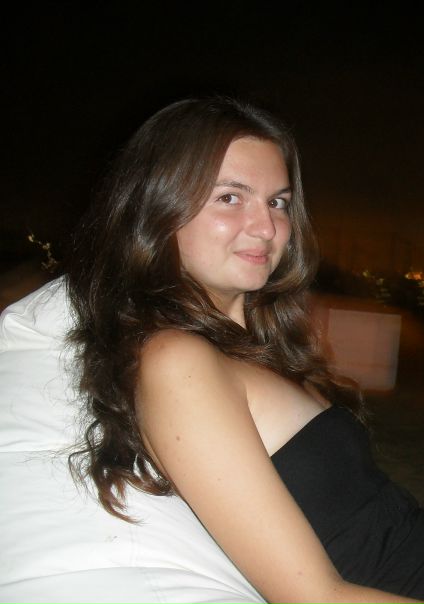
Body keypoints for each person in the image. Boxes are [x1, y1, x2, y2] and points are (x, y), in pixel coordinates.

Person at [66, 96, 424, 603]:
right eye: (230, 197)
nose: (267, 227)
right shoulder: (177, 360)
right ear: (158, 208)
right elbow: (315, 597)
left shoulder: (258, 344)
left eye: (277, 202)